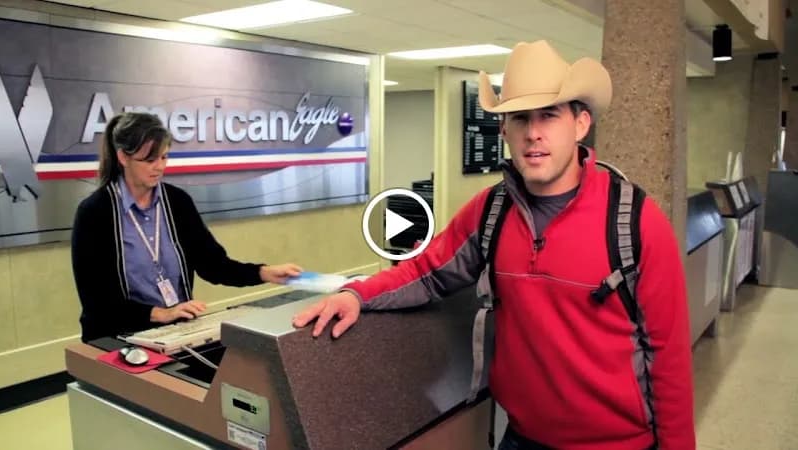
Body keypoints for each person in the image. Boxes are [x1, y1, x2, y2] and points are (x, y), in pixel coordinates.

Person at [292, 41, 694, 449]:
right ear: (504, 130)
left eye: (549, 116)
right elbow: (426, 272)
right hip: (521, 439)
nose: (534, 133)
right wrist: (357, 294)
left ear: (580, 124)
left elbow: (668, 356)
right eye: (520, 118)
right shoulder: (490, 211)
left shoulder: (633, 221)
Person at [72, 112, 302, 342]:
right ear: (123, 157)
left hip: (173, 334)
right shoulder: (95, 213)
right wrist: (158, 314)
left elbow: (213, 265)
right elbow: (97, 301)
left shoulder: (177, 202)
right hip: (116, 338)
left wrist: (263, 272)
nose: (159, 167)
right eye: (149, 160)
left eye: (164, 157)